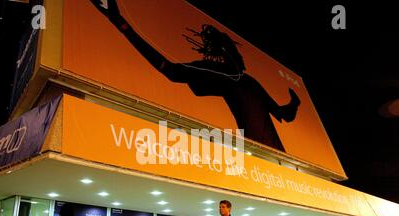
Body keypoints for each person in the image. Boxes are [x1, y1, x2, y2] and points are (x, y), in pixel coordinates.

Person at [90, 0, 301, 152]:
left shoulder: (246, 81)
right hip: (262, 155)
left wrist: (294, 102)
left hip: (271, 156)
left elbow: (284, 114)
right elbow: (169, 69)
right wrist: (120, 23)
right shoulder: (222, 75)